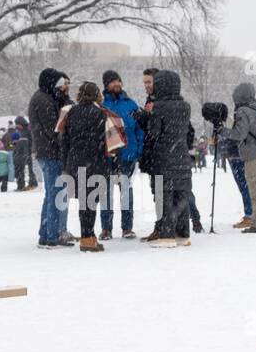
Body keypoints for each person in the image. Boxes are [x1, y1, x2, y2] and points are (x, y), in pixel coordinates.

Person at [143, 70, 194, 246]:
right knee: (181, 194)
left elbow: (154, 132)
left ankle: (166, 235)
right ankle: (183, 234)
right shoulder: (185, 106)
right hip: (181, 156)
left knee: (164, 195)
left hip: (163, 157)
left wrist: (147, 118)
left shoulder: (159, 107)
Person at [59, 81, 110, 252]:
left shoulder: (71, 112)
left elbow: (64, 140)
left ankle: (88, 236)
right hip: (94, 162)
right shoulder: (100, 114)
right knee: (91, 202)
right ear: (96, 95)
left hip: (75, 162)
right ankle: (88, 238)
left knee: (83, 202)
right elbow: (105, 142)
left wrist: (66, 162)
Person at [28, 68, 74, 246]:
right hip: (50, 153)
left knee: (53, 195)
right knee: (55, 195)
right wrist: (68, 142)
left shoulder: (48, 97)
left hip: (50, 152)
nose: (64, 88)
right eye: (62, 85)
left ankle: (47, 233)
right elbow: (53, 130)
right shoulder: (43, 100)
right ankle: (51, 235)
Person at [100, 70, 143, 240]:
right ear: (106, 85)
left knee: (126, 192)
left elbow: (139, 129)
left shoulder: (131, 104)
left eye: (118, 80)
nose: (116, 84)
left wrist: (139, 149)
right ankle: (106, 228)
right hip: (108, 156)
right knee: (106, 192)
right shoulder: (102, 106)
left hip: (128, 155)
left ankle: (127, 227)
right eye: (112, 81)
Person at [226, 82, 256, 233]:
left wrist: (223, 131)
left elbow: (239, 134)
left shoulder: (243, 111)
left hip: (252, 154)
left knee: (255, 188)